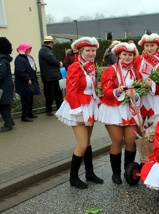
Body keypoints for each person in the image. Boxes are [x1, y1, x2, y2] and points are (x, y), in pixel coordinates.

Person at [55, 37, 104, 189]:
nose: (91, 53)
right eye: (87, 50)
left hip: (89, 106)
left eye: (93, 50)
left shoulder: (91, 66)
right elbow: (70, 92)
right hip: (78, 107)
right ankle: (73, 177)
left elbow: (91, 87)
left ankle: (89, 173)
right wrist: (77, 113)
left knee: (88, 142)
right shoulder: (76, 66)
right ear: (81, 51)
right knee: (82, 144)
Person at [98, 42, 142, 184]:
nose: (127, 57)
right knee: (117, 141)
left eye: (130, 55)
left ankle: (128, 171)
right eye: (124, 54)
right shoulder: (110, 70)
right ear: (119, 55)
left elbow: (141, 91)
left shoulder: (136, 71)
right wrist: (117, 91)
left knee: (131, 141)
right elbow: (106, 91)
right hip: (113, 110)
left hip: (130, 109)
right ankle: (115, 173)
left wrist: (134, 95)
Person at [135, 33, 159, 118]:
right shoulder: (138, 60)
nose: (149, 48)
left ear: (157, 46)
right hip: (141, 98)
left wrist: (153, 85)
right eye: (146, 46)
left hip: (156, 100)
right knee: (141, 127)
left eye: (152, 45)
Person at [14, 43, 40, 122]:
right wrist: (27, 78)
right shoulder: (19, 59)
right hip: (24, 83)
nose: (29, 50)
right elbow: (20, 71)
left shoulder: (26, 58)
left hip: (29, 81)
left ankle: (30, 113)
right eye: (28, 49)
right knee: (25, 100)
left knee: (30, 98)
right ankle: (25, 116)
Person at [38, 35, 63, 116]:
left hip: (52, 76)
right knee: (50, 94)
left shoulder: (45, 50)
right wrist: (59, 63)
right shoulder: (45, 50)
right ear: (51, 43)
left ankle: (60, 108)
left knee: (57, 93)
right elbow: (51, 59)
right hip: (49, 77)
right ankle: (49, 110)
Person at [0, 37, 14, 132]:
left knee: (3, 105)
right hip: (6, 85)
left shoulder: (1, 59)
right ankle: (9, 121)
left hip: (3, 87)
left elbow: (1, 73)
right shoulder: (4, 58)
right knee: (5, 105)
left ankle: (8, 124)